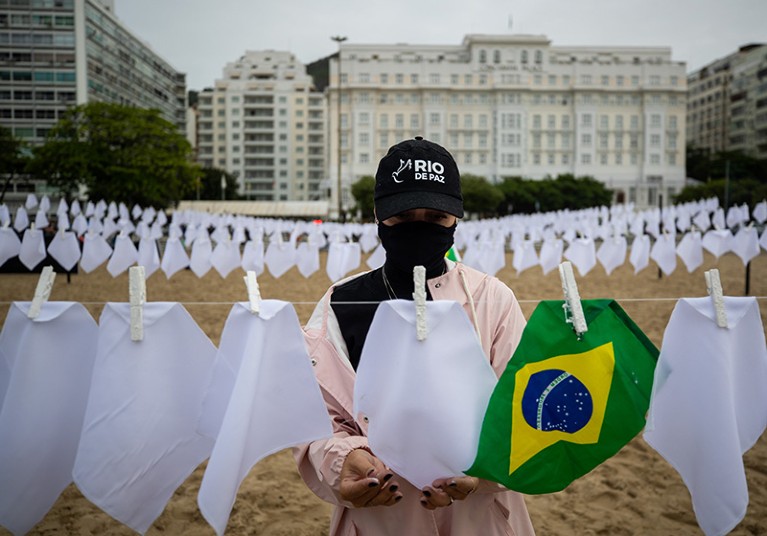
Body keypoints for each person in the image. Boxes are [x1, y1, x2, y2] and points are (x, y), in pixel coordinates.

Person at [294, 137, 535, 535]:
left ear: (455, 219)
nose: (419, 228)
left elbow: (522, 410)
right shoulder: (342, 302)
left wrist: (482, 473)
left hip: (480, 520)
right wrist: (344, 460)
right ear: (378, 214)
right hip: (380, 519)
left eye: (436, 217)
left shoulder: (491, 298)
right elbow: (316, 418)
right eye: (404, 217)